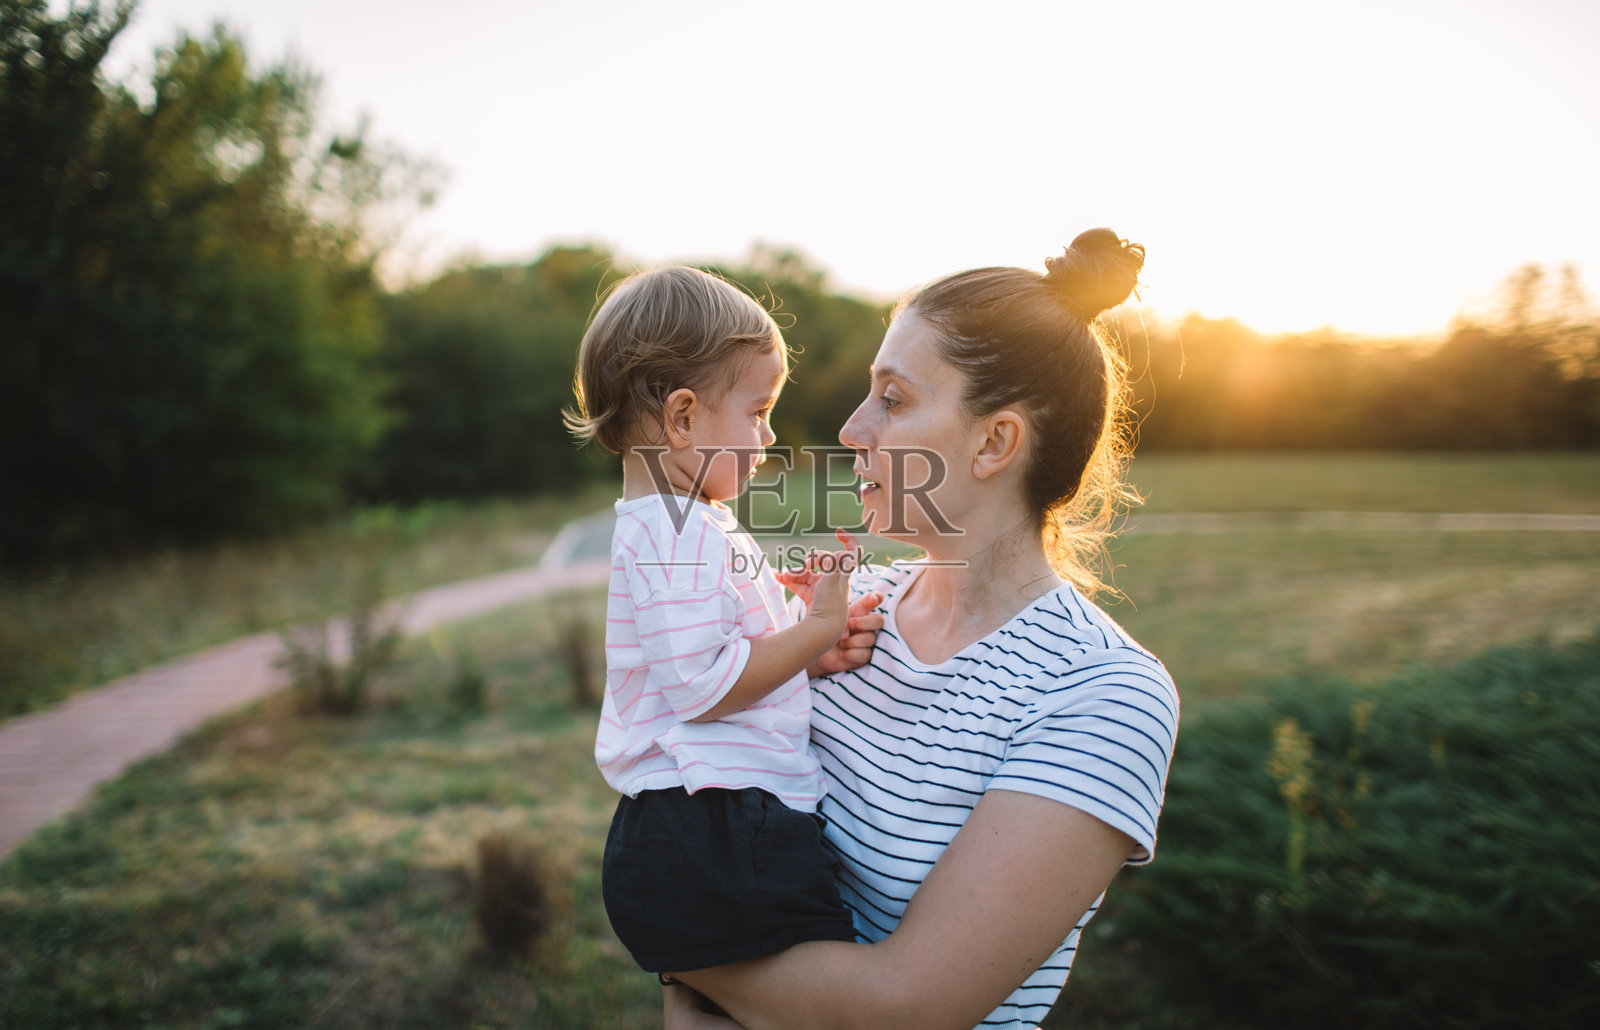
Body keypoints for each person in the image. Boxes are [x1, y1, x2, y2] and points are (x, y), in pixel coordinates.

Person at [663, 229, 1180, 1030]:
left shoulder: (1101, 694)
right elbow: (686, 803)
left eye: (893, 399)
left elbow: (904, 1009)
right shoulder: (842, 616)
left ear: (994, 442)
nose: (851, 429)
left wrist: (676, 950)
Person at [565, 265, 886, 984]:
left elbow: (716, 651)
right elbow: (704, 692)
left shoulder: (683, 522)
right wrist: (818, 624)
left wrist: (799, 634)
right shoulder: (677, 530)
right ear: (682, 417)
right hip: (714, 824)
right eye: (758, 411)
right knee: (837, 994)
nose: (768, 435)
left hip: (707, 823)